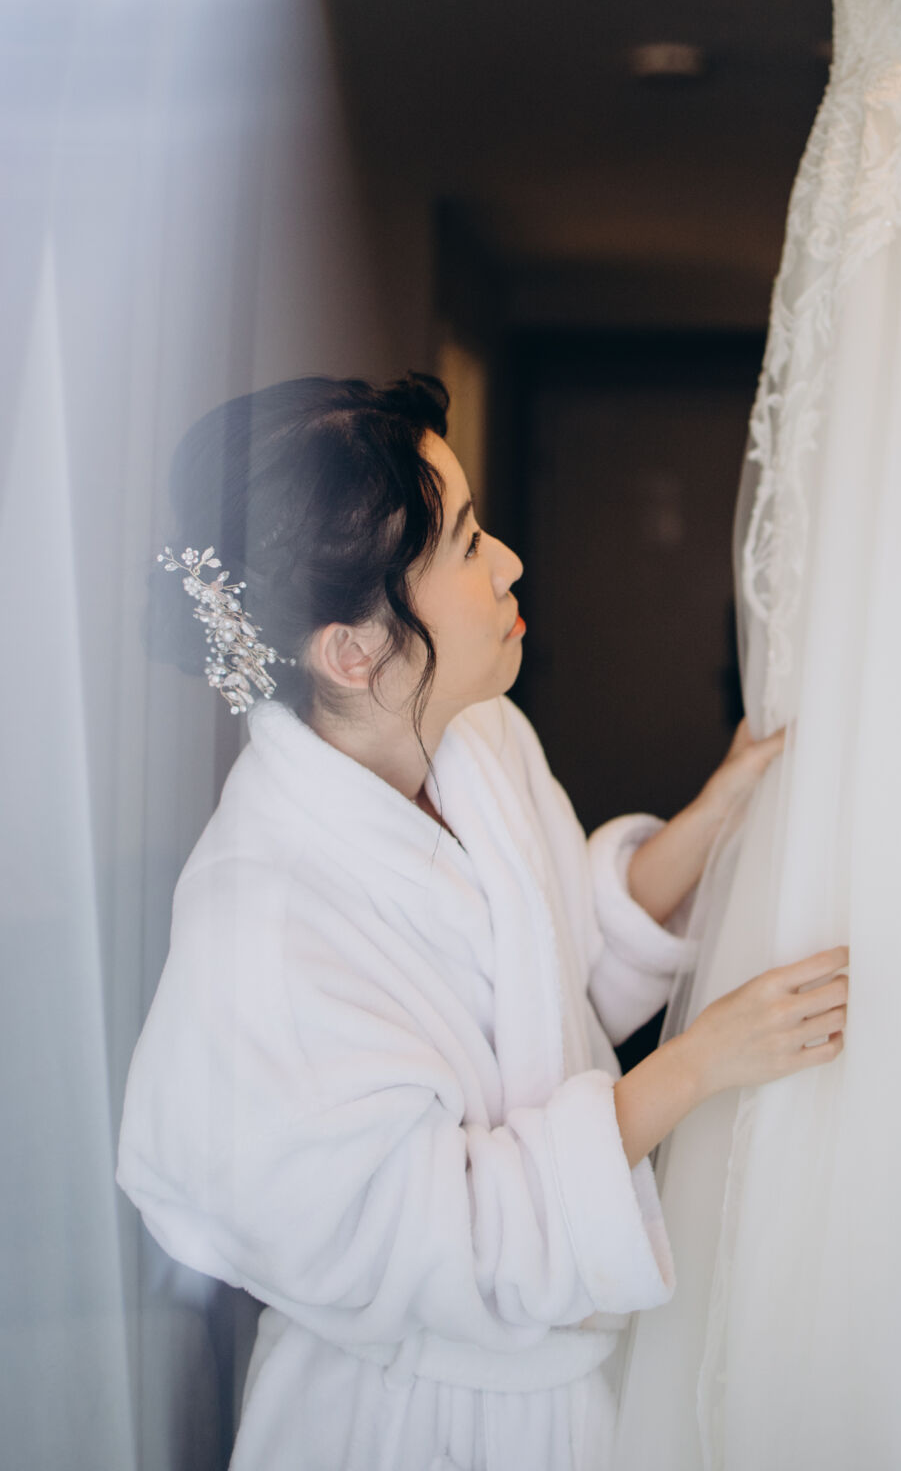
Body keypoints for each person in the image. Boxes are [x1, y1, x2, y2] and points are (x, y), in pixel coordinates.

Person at [117, 372, 847, 1471]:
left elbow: (558, 975)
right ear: (351, 651)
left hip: (577, 1390)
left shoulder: (477, 739)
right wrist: (696, 1065)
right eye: (464, 544)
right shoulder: (259, 932)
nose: (507, 561)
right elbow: (451, 1237)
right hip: (405, 1426)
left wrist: (716, 814)